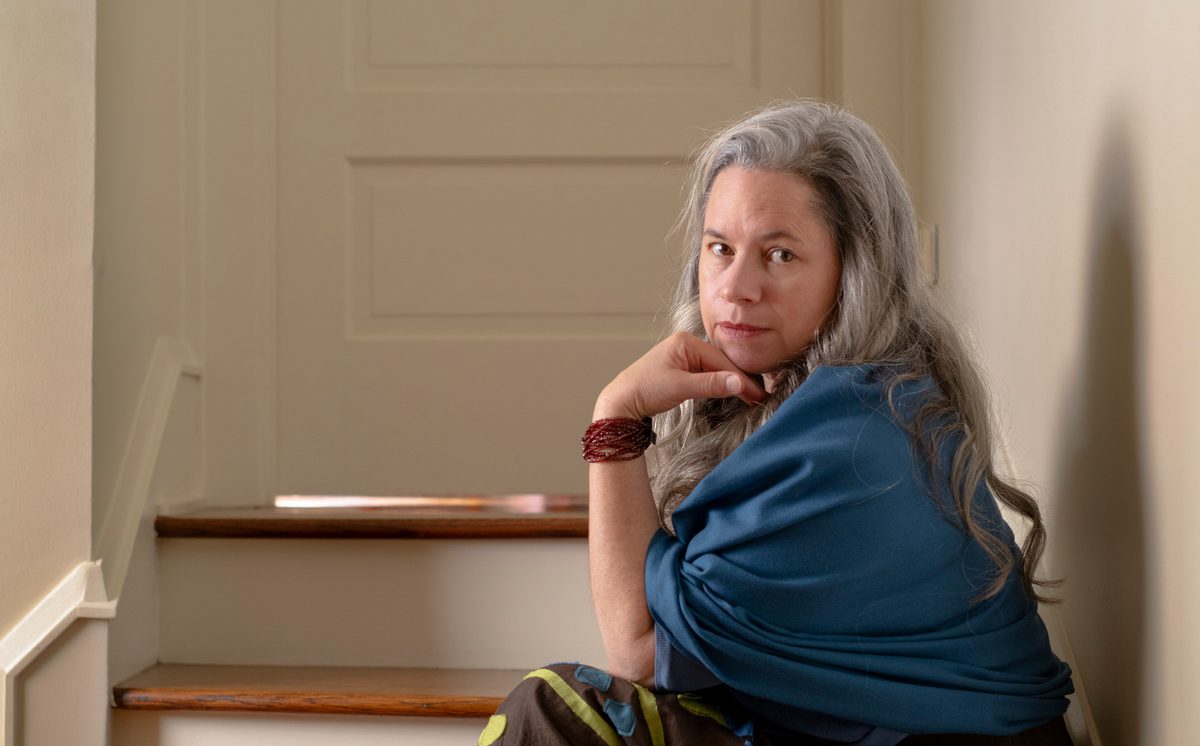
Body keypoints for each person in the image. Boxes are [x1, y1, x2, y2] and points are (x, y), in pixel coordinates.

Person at [479, 100, 1074, 745]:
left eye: (780, 255)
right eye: (719, 248)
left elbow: (640, 652)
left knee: (550, 715)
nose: (736, 287)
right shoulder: (849, 399)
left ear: (854, 276)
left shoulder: (853, 442)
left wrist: (615, 417)